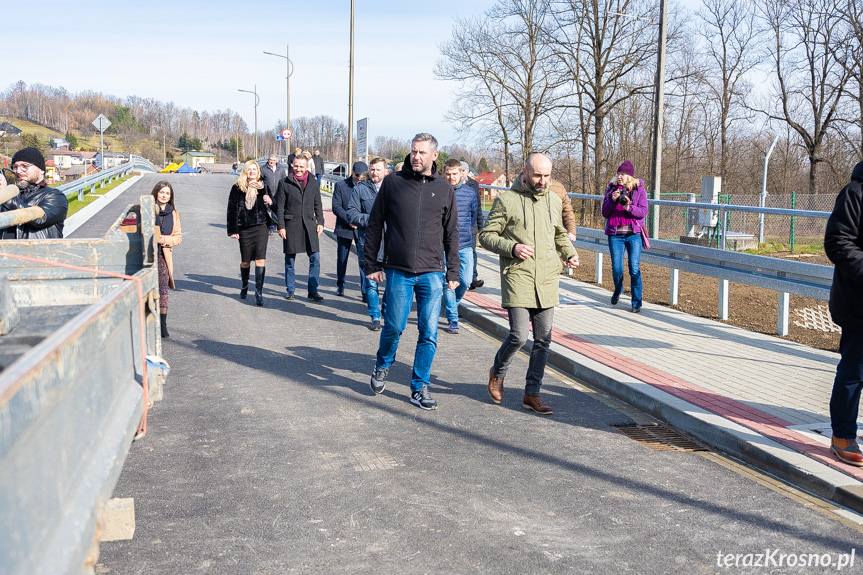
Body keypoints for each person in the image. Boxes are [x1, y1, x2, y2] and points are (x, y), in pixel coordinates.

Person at [363, 133, 460, 410]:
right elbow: (375, 225)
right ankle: (382, 364)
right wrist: (372, 264)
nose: (416, 157)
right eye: (413, 151)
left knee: (429, 332)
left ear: (434, 156)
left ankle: (419, 387)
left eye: (421, 153)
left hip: (432, 272)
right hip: (398, 270)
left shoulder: (444, 188)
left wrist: (453, 271)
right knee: (394, 326)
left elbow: (452, 234)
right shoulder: (393, 183)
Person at [480, 153, 578, 415]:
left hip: (546, 278)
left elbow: (558, 233)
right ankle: (498, 372)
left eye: (547, 176)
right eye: (537, 175)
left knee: (543, 340)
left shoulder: (554, 201)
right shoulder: (506, 201)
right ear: (525, 172)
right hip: (519, 276)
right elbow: (486, 236)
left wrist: (569, 253)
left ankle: (532, 393)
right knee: (519, 336)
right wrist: (512, 247)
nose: (542, 181)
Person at [824, 160, 863, 466]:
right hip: (859, 303)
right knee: (854, 371)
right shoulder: (855, 192)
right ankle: (843, 436)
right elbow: (837, 242)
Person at [276, 154, 325, 301]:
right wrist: (281, 226)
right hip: (291, 225)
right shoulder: (284, 182)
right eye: (296, 166)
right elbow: (280, 208)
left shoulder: (314, 182)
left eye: (301, 166)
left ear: (307, 167)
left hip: (310, 225)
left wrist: (321, 222)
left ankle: (313, 290)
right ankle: (290, 289)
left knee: (315, 258)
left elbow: (318, 204)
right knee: (290, 260)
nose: (298, 169)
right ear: (292, 165)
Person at [601, 160, 648, 313]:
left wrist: (628, 206)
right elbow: (605, 213)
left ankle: (636, 302)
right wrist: (613, 201)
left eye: (623, 174)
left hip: (633, 234)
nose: (620, 177)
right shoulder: (611, 190)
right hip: (615, 235)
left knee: (634, 268)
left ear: (630, 176)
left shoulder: (639, 190)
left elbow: (643, 212)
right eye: (618, 174)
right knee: (617, 268)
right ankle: (618, 289)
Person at [347, 157, 387, 330]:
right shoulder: (360, 190)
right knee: (371, 281)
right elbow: (352, 214)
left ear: (385, 171)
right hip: (368, 242)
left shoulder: (393, 189)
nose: (374, 172)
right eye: (372, 169)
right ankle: (375, 316)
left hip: (391, 243)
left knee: (391, 282)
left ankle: (385, 309)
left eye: (378, 169)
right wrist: (373, 220)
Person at [227, 160, 273, 306]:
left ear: (258, 171)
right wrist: (233, 230)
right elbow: (232, 209)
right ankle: (245, 285)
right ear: (245, 171)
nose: (252, 172)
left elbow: (274, 205)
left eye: (254, 169)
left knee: (260, 259)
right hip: (244, 228)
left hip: (261, 227)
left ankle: (259, 292)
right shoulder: (237, 187)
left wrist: (270, 201)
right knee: (246, 261)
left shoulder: (264, 187)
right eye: (249, 169)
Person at [442, 159, 479, 334]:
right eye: (448, 174)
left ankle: (452, 306)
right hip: (444, 245)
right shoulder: (439, 191)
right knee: (449, 283)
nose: (451, 177)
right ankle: (453, 319)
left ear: (461, 173)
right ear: (444, 174)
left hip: (464, 244)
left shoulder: (470, 193)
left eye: (454, 174)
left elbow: (473, 216)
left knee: (465, 281)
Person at [0, 147, 68, 239]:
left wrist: (6, 195)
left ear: (41, 170)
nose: (18, 171)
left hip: (38, 252)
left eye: (25, 166)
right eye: (15, 167)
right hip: (5, 252)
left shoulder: (55, 196)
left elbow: (39, 220)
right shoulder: (12, 194)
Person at [151, 181, 183, 338]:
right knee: (147, 289)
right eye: (162, 192)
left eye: (167, 193)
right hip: (147, 254)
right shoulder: (147, 208)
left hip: (163, 255)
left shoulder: (174, 214)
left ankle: (162, 324)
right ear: (156, 192)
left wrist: (165, 240)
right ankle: (149, 322)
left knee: (163, 289)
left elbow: (178, 237)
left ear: (171, 197)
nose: (164, 195)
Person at [332, 161, 368, 297]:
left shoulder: (367, 187)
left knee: (364, 261)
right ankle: (340, 285)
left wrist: (360, 222)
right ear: (352, 171)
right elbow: (336, 207)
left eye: (362, 176)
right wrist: (350, 221)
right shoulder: (341, 186)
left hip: (362, 228)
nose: (359, 178)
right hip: (344, 228)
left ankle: (365, 291)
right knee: (342, 258)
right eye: (357, 175)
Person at [461, 161, 485, 291]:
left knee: (472, 252)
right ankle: (462, 277)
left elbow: (478, 206)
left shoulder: (474, 184)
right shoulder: (451, 184)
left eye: (464, 171)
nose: (462, 174)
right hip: (460, 225)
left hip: (472, 225)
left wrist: (480, 224)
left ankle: (473, 278)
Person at [261, 155, 286, 234]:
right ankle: (271, 226)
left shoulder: (281, 169)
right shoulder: (263, 169)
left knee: (278, 209)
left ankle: (277, 224)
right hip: (268, 193)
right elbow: (260, 180)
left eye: (274, 160)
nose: (272, 162)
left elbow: (284, 179)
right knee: (269, 209)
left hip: (279, 192)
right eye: (270, 160)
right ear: (268, 160)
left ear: (276, 161)